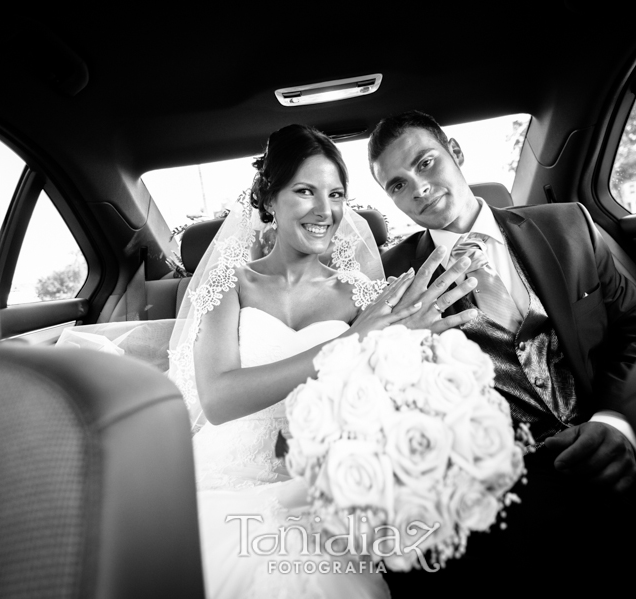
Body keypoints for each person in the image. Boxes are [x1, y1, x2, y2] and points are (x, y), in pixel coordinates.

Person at [170, 124, 478, 598]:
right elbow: (218, 398)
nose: (325, 210)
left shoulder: (367, 297)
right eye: (305, 191)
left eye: (336, 194)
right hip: (223, 483)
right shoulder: (229, 286)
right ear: (269, 200)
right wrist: (352, 342)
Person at [369, 111, 636, 596]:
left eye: (426, 164)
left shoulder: (567, 225)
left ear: (455, 153)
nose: (418, 189)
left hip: (603, 452)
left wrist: (614, 423)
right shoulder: (389, 278)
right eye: (398, 186)